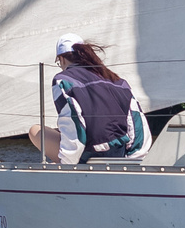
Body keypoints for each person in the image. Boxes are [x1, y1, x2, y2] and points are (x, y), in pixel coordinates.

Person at [31, 36, 152, 165]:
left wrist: (67, 163)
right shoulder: (118, 81)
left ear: (61, 59)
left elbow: (74, 121)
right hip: (120, 154)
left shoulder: (63, 80)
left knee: (35, 130)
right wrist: (134, 160)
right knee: (58, 131)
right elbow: (137, 121)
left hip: (88, 155)